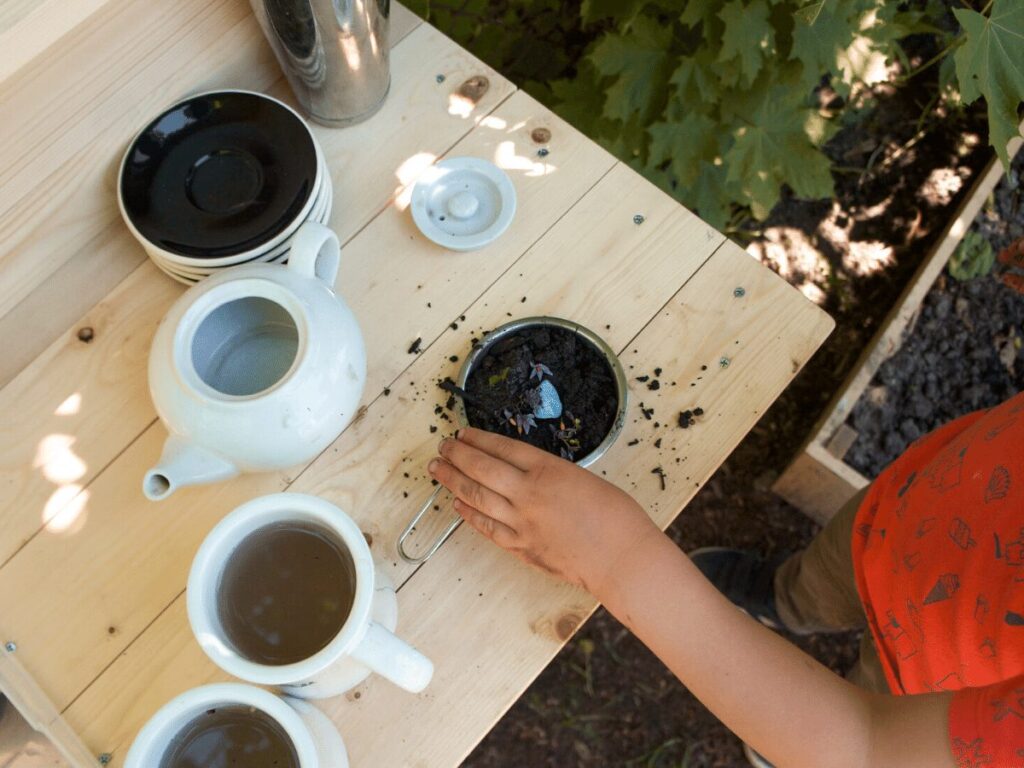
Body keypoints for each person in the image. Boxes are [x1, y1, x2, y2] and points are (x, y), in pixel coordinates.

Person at [427, 392, 1024, 767]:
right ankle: (782, 602)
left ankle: (772, 739)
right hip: (907, 518)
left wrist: (619, 559)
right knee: (818, 579)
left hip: (931, 684)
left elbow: (866, 747)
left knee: (836, 714)